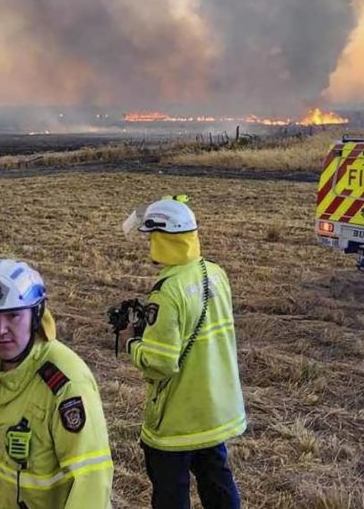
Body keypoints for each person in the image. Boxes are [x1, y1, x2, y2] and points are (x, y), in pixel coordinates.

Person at [118, 196, 246, 509]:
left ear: (162, 239)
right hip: (214, 412)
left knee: (170, 495)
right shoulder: (215, 273)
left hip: (177, 421)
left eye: (150, 238)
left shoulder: (167, 292)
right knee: (218, 485)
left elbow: (161, 364)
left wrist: (131, 343)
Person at [0, 258, 113, 509]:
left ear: (36, 316)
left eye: (13, 316)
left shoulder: (66, 383)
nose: (1, 330)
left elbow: (90, 478)